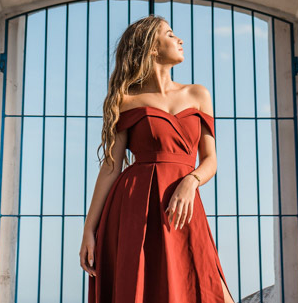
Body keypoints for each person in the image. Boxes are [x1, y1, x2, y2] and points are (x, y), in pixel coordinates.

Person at [79, 15, 236, 303]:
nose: (180, 40)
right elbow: (112, 166)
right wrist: (89, 228)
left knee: (209, 287)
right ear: (152, 47)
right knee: (140, 286)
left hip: (182, 205)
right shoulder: (125, 100)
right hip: (133, 205)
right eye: (171, 34)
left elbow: (211, 160)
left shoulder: (198, 94)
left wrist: (191, 181)